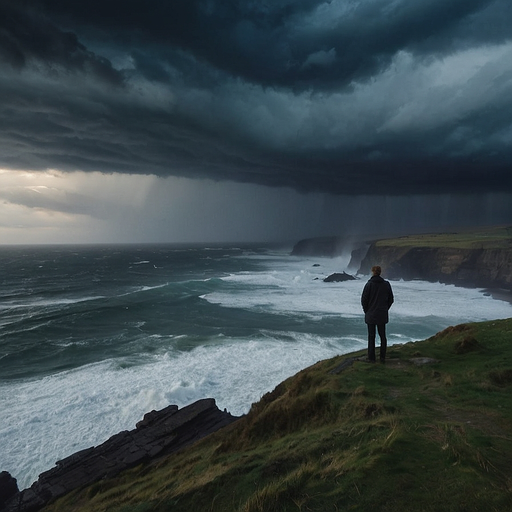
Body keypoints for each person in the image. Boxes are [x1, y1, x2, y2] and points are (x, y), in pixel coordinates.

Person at [361, 265, 394, 363]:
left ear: (372, 272)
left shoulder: (369, 285)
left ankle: (371, 358)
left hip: (371, 314)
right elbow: (391, 299)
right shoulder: (386, 284)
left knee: (371, 336)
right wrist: (385, 309)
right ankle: (382, 357)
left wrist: (367, 311)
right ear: (380, 272)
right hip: (382, 314)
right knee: (382, 336)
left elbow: (364, 300)